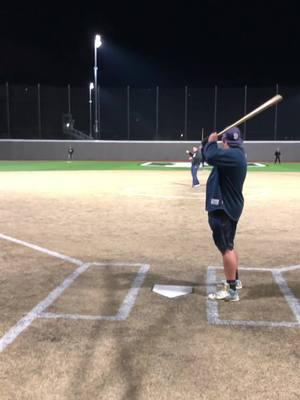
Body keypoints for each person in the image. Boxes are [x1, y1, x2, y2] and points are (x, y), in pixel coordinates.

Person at [204, 127, 247, 302]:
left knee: (226, 248)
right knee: (229, 245)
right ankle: (234, 281)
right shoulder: (237, 154)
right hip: (230, 206)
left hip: (224, 209)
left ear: (225, 142)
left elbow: (210, 156)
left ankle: (231, 291)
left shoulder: (232, 156)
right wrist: (209, 142)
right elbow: (210, 154)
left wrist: (212, 141)